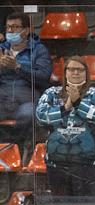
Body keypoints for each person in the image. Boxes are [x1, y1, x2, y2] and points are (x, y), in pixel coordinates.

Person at [35, 56, 95, 205]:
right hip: (57, 164)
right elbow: (41, 117)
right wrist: (65, 107)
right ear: (65, 72)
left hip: (90, 164)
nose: (75, 72)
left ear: (86, 73)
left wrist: (77, 102)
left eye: (80, 69)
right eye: (71, 69)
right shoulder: (51, 93)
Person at [0, 13, 52, 149]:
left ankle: (15, 148)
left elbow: (43, 77)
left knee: (29, 114)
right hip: (2, 99)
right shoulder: (1, 48)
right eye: (8, 27)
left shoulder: (38, 50)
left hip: (27, 99)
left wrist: (18, 67)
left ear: (27, 30)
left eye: (15, 27)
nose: (10, 31)